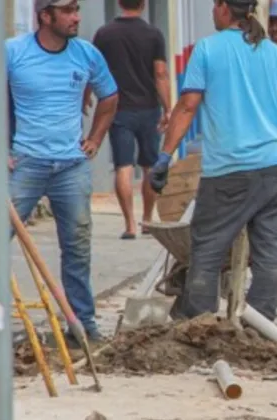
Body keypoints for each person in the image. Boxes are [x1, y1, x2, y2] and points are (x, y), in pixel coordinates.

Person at [149, 0, 277, 321]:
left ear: (222, 8)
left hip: (229, 171)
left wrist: (165, 156)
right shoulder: (274, 52)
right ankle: (261, 327)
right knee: (268, 257)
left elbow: (188, 106)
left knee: (207, 249)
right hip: (274, 167)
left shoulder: (207, 49)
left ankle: (200, 324)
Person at [0, 0, 118, 343]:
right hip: (24, 162)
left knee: (77, 246)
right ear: (45, 16)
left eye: (77, 9)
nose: (77, 17)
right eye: (69, 10)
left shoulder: (86, 54)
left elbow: (110, 96)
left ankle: (82, 324)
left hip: (70, 166)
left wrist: (95, 138)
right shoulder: (13, 52)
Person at [93, 0, 172, 240]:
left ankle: (129, 224)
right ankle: (147, 219)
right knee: (149, 165)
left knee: (123, 166)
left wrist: (87, 94)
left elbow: (94, 68)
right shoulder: (154, 34)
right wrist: (168, 108)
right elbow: (160, 73)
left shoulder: (104, 34)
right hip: (148, 108)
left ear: (118, 3)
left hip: (118, 109)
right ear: (144, 4)